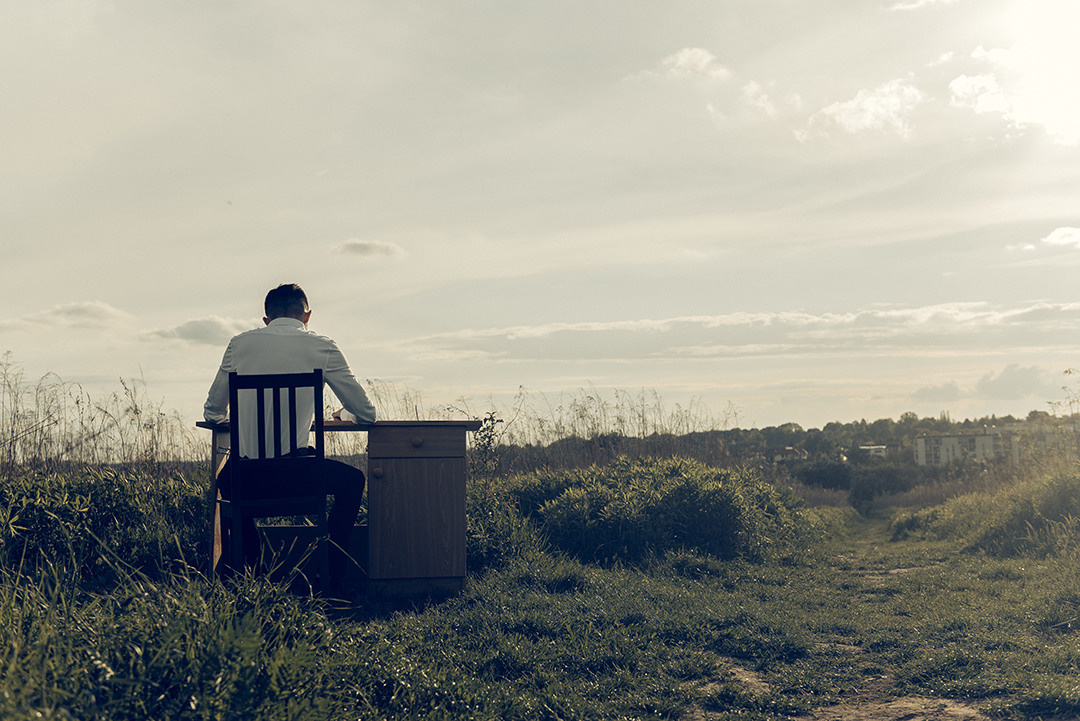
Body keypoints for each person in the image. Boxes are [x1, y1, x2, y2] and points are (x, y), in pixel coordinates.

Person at [204, 283, 376, 582]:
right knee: (353, 480)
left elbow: (212, 412)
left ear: (266, 320)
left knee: (226, 479)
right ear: (306, 316)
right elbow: (366, 414)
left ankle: (251, 574)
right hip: (298, 477)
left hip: (247, 478)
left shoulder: (239, 344)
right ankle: (334, 570)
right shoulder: (323, 346)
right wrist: (343, 414)